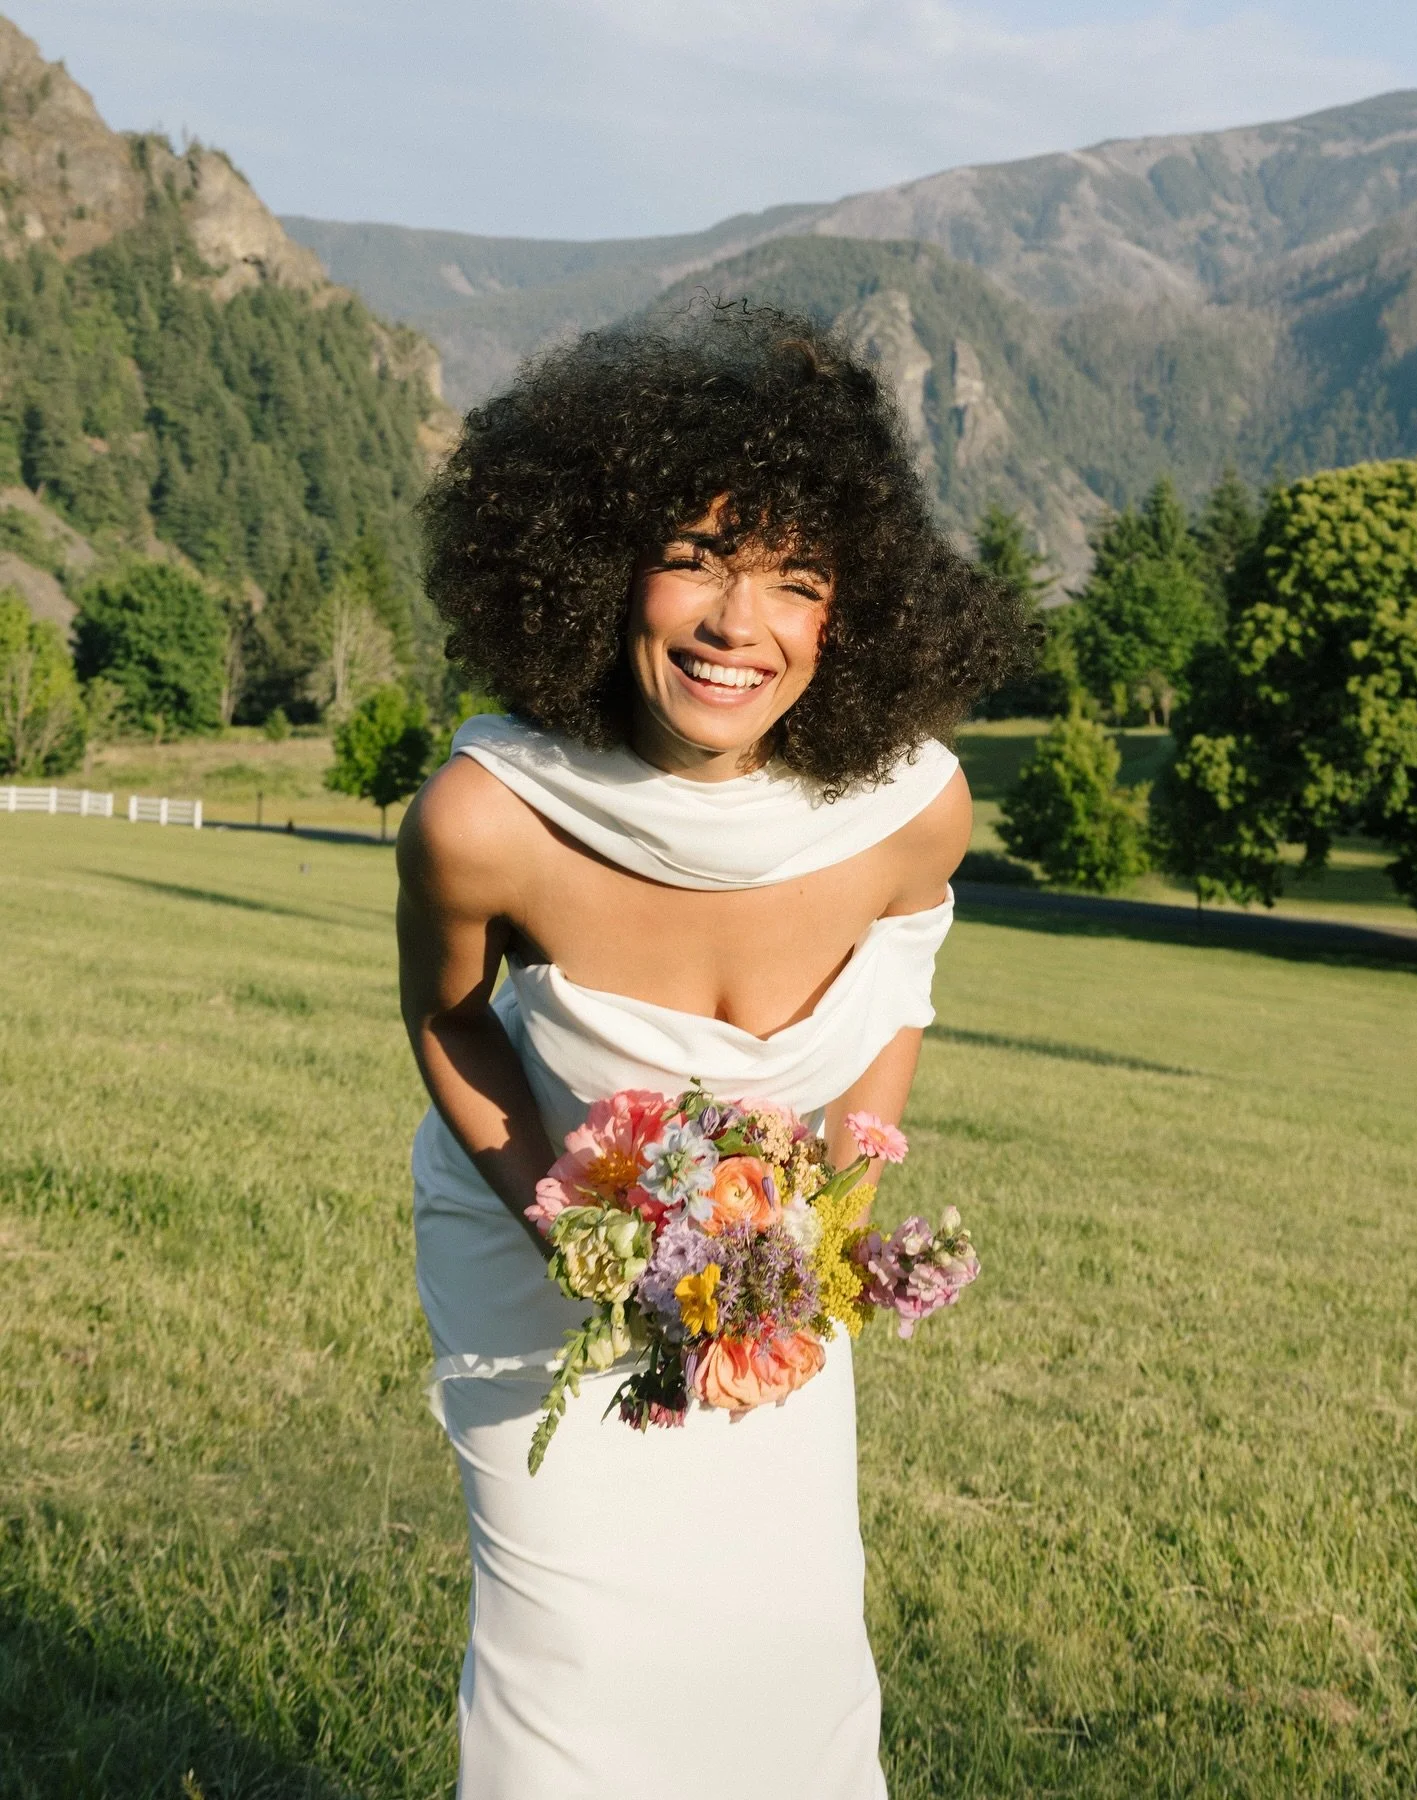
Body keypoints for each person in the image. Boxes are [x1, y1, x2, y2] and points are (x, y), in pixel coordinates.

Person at [396, 303, 1026, 1800]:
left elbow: (905, 984)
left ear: (847, 616)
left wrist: (820, 1233)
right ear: (600, 568)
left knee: (782, 1648)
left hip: (768, 1289)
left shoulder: (914, 811)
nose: (740, 627)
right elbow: (448, 1019)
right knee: (572, 1674)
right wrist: (575, 1232)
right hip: (531, 1259)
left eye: (796, 583)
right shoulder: (485, 819)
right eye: (694, 559)